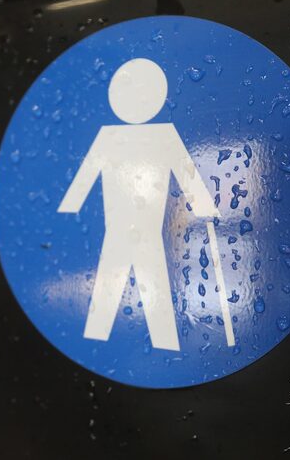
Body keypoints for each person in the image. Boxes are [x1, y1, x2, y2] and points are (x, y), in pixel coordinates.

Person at [58, 58, 219, 351]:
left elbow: (188, 175)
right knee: (115, 275)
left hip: (147, 227)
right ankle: (111, 336)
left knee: (149, 274)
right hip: (118, 226)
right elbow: (86, 175)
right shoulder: (110, 136)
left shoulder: (162, 135)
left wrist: (203, 204)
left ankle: (162, 341)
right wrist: (71, 203)